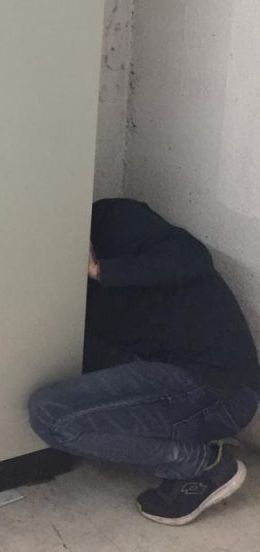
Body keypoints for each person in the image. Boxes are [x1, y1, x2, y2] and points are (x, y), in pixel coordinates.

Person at [29, 198, 260, 525]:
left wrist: (100, 270)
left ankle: (202, 465)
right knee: (58, 409)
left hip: (219, 385)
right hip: (182, 387)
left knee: (51, 415)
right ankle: (191, 439)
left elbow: (194, 257)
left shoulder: (112, 219)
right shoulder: (60, 294)